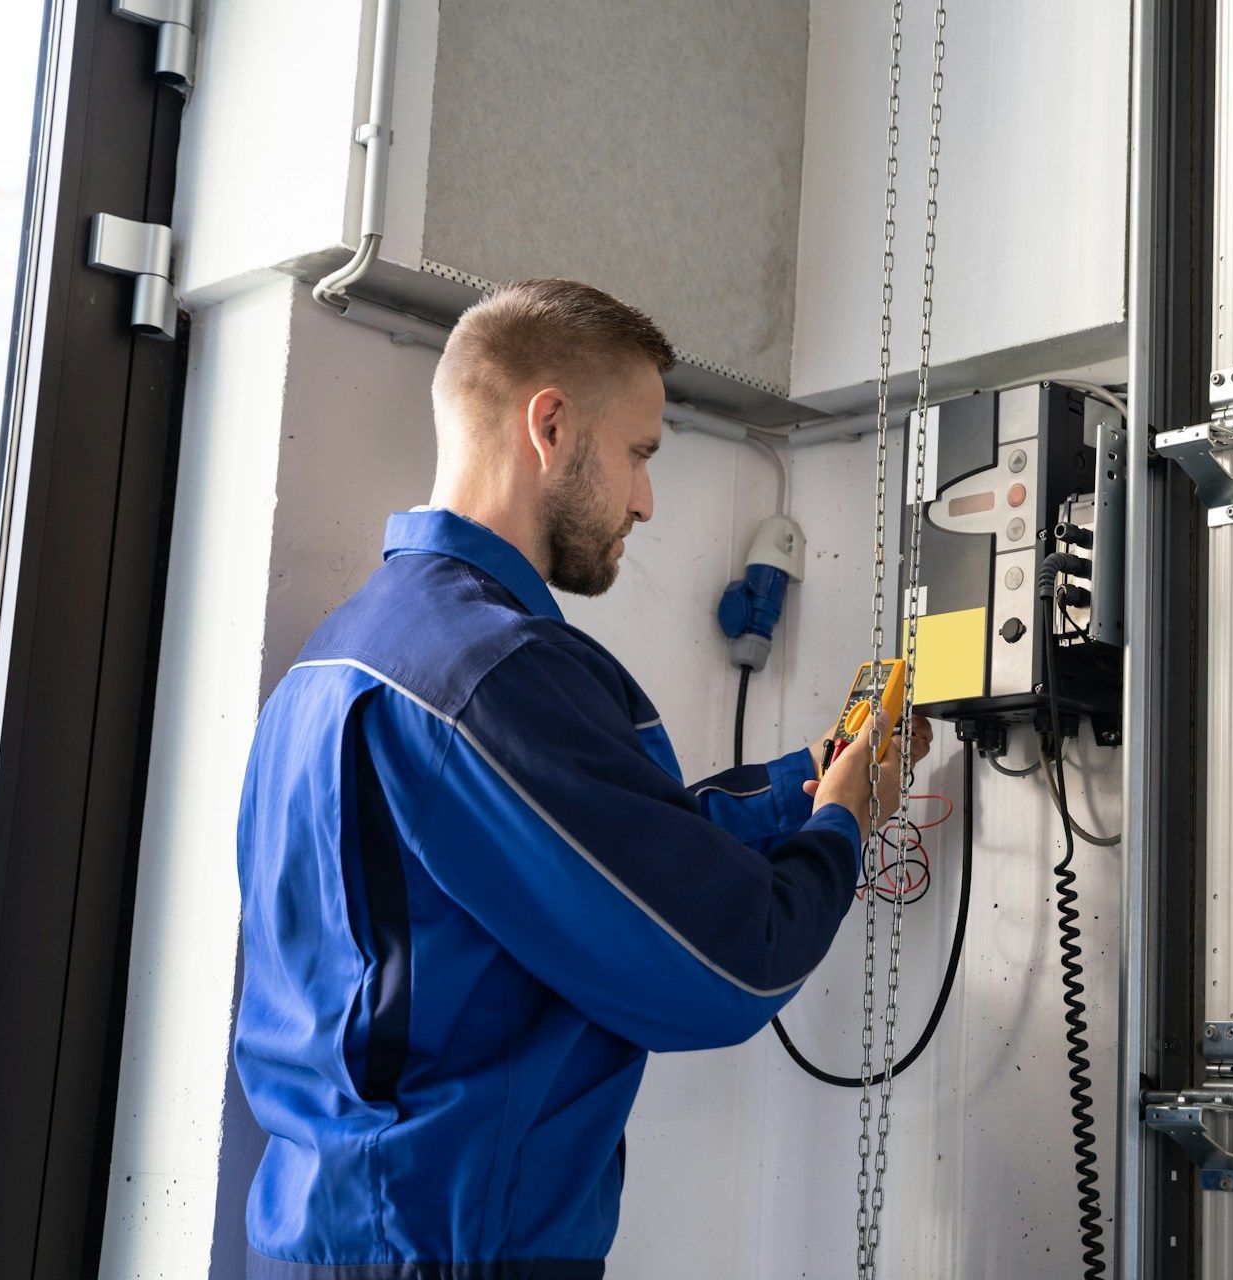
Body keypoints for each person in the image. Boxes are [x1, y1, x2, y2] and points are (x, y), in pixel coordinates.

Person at [234, 277, 929, 1279]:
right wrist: (841, 829)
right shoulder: (496, 674)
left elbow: (586, 861)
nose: (646, 499)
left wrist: (800, 788)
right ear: (550, 425)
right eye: (640, 453)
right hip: (450, 1251)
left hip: (336, 1233)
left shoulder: (342, 658)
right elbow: (733, 965)